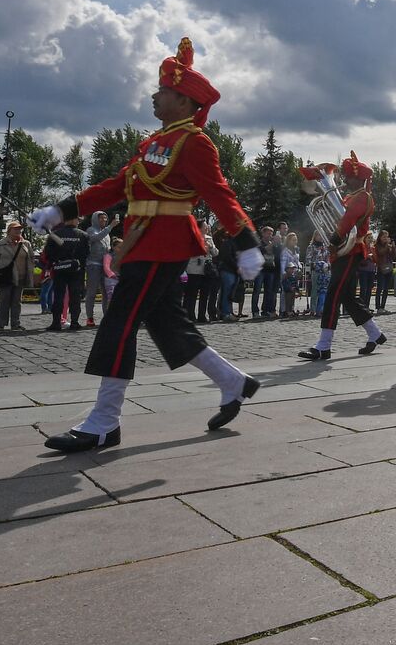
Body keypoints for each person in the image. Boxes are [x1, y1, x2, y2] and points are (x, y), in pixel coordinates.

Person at [28, 37, 265, 452]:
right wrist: (60, 210)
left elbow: (219, 194)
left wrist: (246, 241)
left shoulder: (195, 142)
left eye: (164, 91)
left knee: (120, 320)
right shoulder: (152, 144)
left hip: (164, 244)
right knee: (168, 326)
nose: (155, 96)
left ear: (185, 100)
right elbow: (113, 187)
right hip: (142, 243)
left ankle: (104, 421)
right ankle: (234, 382)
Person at [298, 153, 385, 360]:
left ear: (358, 179)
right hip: (344, 251)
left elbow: (347, 221)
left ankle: (323, 345)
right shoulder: (351, 196)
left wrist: (334, 240)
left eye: (347, 176)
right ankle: (375, 334)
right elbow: (340, 219)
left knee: (333, 295)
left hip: (350, 251)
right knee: (346, 297)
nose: (343, 180)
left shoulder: (363, 196)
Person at [43, 215, 89, 331]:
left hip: (60, 269)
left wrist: (56, 261)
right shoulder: (83, 235)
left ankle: (56, 323)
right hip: (76, 270)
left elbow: (48, 253)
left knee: (58, 296)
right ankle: (74, 322)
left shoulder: (55, 234)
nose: (78, 221)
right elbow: (86, 254)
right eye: (78, 219)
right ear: (73, 219)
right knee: (75, 297)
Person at [0, 222, 34, 331]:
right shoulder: (0, 243)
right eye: (15, 229)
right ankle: (0, 324)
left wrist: (30, 273)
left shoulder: (26, 243)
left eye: (19, 229)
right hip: (5, 277)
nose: (18, 231)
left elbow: (31, 258)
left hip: (20, 276)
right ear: (9, 230)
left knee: (17, 302)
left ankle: (16, 324)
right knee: (3, 301)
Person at [82, 211, 119, 327]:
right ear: (95, 220)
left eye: (105, 218)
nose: (104, 220)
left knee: (107, 293)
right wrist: (111, 226)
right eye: (101, 218)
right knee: (92, 292)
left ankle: (107, 316)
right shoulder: (91, 230)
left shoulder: (107, 233)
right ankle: (90, 318)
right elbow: (96, 238)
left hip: (105, 266)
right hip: (93, 265)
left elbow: (107, 248)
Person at [280, 231, 302, 317]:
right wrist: (283, 273)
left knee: (293, 292)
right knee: (285, 293)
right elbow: (283, 263)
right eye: (293, 240)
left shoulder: (296, 250)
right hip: (287, 274)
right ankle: (283, 310)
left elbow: (297, 261)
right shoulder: (285, 251)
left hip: (294, 274)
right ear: (288, 241)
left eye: (296, 240)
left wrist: (300, 268)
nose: (295, 242)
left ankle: (291, 309)